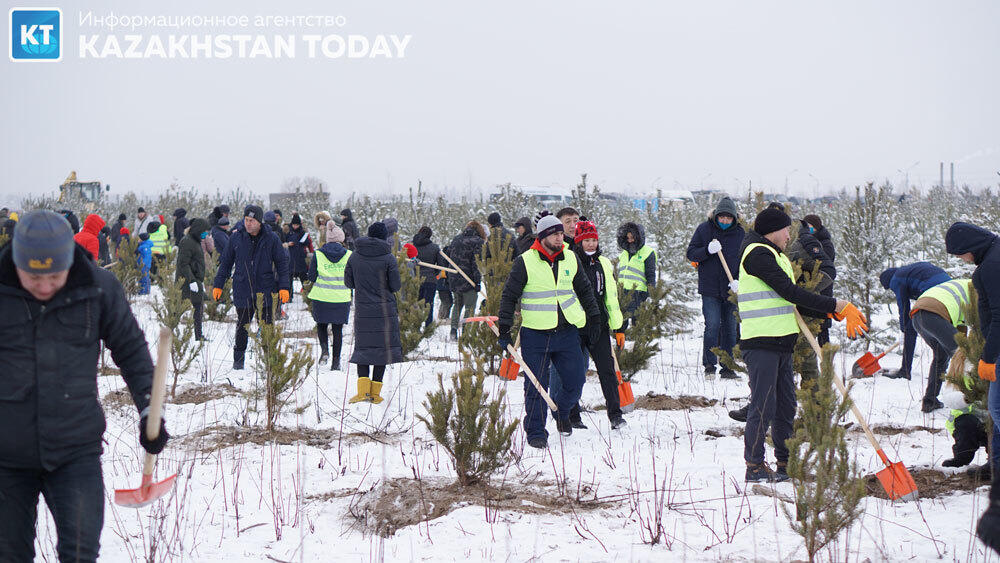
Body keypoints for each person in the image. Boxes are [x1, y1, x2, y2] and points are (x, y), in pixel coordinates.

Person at [0, 210, 167, 561]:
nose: (44, 286)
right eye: (33, 277)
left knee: (80, 552)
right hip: (7, 454)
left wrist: (150, 410)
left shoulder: (98, 288)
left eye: (54, 276)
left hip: (75, 449)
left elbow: (132, 351)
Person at [738, 206, 867, 483]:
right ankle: (755, 465)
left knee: (785, 405)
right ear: (773, 230)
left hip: (782, 342)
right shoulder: (757, 254)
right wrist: (836, 304)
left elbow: (790, 301)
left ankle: (786, 462)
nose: (789, 235)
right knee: (763, 405)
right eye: (786, 230)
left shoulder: (774, 254)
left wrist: (829, 312)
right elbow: (789, 291)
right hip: (761, 342)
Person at [496, 214, 602, 448]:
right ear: (543, 236)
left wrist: (594, 318)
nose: (559, 237)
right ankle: (535, 431)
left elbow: (584, 290)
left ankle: (561, 411)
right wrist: (504, 329)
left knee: (575, 381)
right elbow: (509, 296)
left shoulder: (571, 258)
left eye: (560, 233)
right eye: (554, 234)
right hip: (536, 333)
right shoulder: (525, 261)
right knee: (535, 385)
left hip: (567, 332)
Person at [945, 223, 1000, 551]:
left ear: (970, 246)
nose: (962, 260)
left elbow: (999, 315)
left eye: (960, 253)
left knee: (997, 410)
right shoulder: (993, 257)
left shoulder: (991, 266)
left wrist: (990, 357)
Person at [211, 205, 291, 370]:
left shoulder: (271, 238)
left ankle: (269, 362)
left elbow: (282, 264)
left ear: (259, 221)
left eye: (252, 221)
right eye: (246, 220)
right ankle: (238, 362)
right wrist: (218, 284)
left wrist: (284, 286)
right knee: (242, 326)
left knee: (267, 327)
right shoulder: (236, 237)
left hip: (265, 290)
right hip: (243, 288)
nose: (248, 224)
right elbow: (226, 263)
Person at [571, 221, 628, 428]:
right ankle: (573, 414)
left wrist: (618, 327)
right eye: (586, 240)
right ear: (579, 241)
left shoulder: (604, 263)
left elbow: (610, 298)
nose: (591, 244)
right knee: (575, 372)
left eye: (594, 240)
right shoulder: (570, 261)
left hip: (600, 326)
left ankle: (615, 414)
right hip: (576, 325)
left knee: (607, 371)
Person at [686, 196, 744, 379]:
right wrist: (706, 250)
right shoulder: (704, 230)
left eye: (729, 218)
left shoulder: (740, 234)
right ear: (716, 216)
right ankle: (709, 365)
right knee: (712, 325)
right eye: (722, 217)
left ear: (734, 218)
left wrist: (739, 281)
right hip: (710, 288)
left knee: (730, 327)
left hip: (730, 288)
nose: (725, 221)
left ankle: (727, 367)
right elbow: (691, 253)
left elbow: (746, 261)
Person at [344, 222, 402, 403]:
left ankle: (362, 392)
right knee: (381, 349)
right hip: (384, 309)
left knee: (363, 348)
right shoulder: (388, 258)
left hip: (363, 309)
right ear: (384, 237)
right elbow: (396, 286)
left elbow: (348, 282)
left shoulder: (355, 256)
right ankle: (375, 393)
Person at [907, 278, 972, 412]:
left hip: (918, 316)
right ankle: (968, 402)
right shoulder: (979, 288)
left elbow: (960, 329)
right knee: (965, 356)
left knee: (941, 356)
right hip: (934, 313)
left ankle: (930, 401)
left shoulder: (965, 287)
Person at [879, 262, 951, 380]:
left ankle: (905, 371)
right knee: (946, 330)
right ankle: (945, 371)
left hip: (933, 288)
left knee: (910, 328)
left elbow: (903, 306)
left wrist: (904, 330)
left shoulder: (896, 279)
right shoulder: (907, 272)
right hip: (949, 286)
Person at [309, 222, 353, 370]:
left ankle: (325, 350)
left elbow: (312, 277)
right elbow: (352, 278)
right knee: (337, 330)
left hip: (321, 297)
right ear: (341, 239)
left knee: (321, 325)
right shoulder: (349, 255)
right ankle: (336, 363)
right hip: (341, 298)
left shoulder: (318, 254)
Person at [445, 220, 486, 339]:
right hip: (469, 280)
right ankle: (466, 333)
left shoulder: (456, 239)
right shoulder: (478, 242)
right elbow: (476, 263)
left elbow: (449, 256)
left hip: (455, 277)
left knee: (457, 305)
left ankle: (453, 331)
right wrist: (477, 281)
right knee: (470, 306)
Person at [616, 221, 656, 322]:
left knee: (637, 326)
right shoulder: (623, 254)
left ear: (638, 237)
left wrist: (650, 295)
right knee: (621, 326)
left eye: (632, 238)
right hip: (622, 294)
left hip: (639, 295)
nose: (630, 240)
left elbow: (650, 275)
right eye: (627, 238)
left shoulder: (648, 253)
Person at [176, 218, 209, 341]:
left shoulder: (194, 240)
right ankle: (171, 332)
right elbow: (183, 263)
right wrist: (192, 281)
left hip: (194, 280)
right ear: (198, 230)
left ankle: (198, 335)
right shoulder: (187, 242)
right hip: (187, 281)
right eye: (204, 231)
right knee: (179, 308)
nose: (205, 234)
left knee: (198, 306)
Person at [412, 226, 444, 329]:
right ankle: (428, 327)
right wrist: (434, 273)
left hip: (416, 279)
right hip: (430, 279)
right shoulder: (435, 247)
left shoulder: (413, 247)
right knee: (428, 305)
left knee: (416, 303)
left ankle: (415, 326)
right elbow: (440, 265)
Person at [285, 213, 314, 296]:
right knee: (289, 279)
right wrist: (288, 243)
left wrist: (302, 242)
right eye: (294, 224)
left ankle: (307, 296)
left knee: (304, 279)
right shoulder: (288, 232)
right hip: (290, 259)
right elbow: (283, 242)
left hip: (301, 259)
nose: (295, 226)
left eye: (297, 225)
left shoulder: (303, 233)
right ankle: (289, 297)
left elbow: (308, 242)